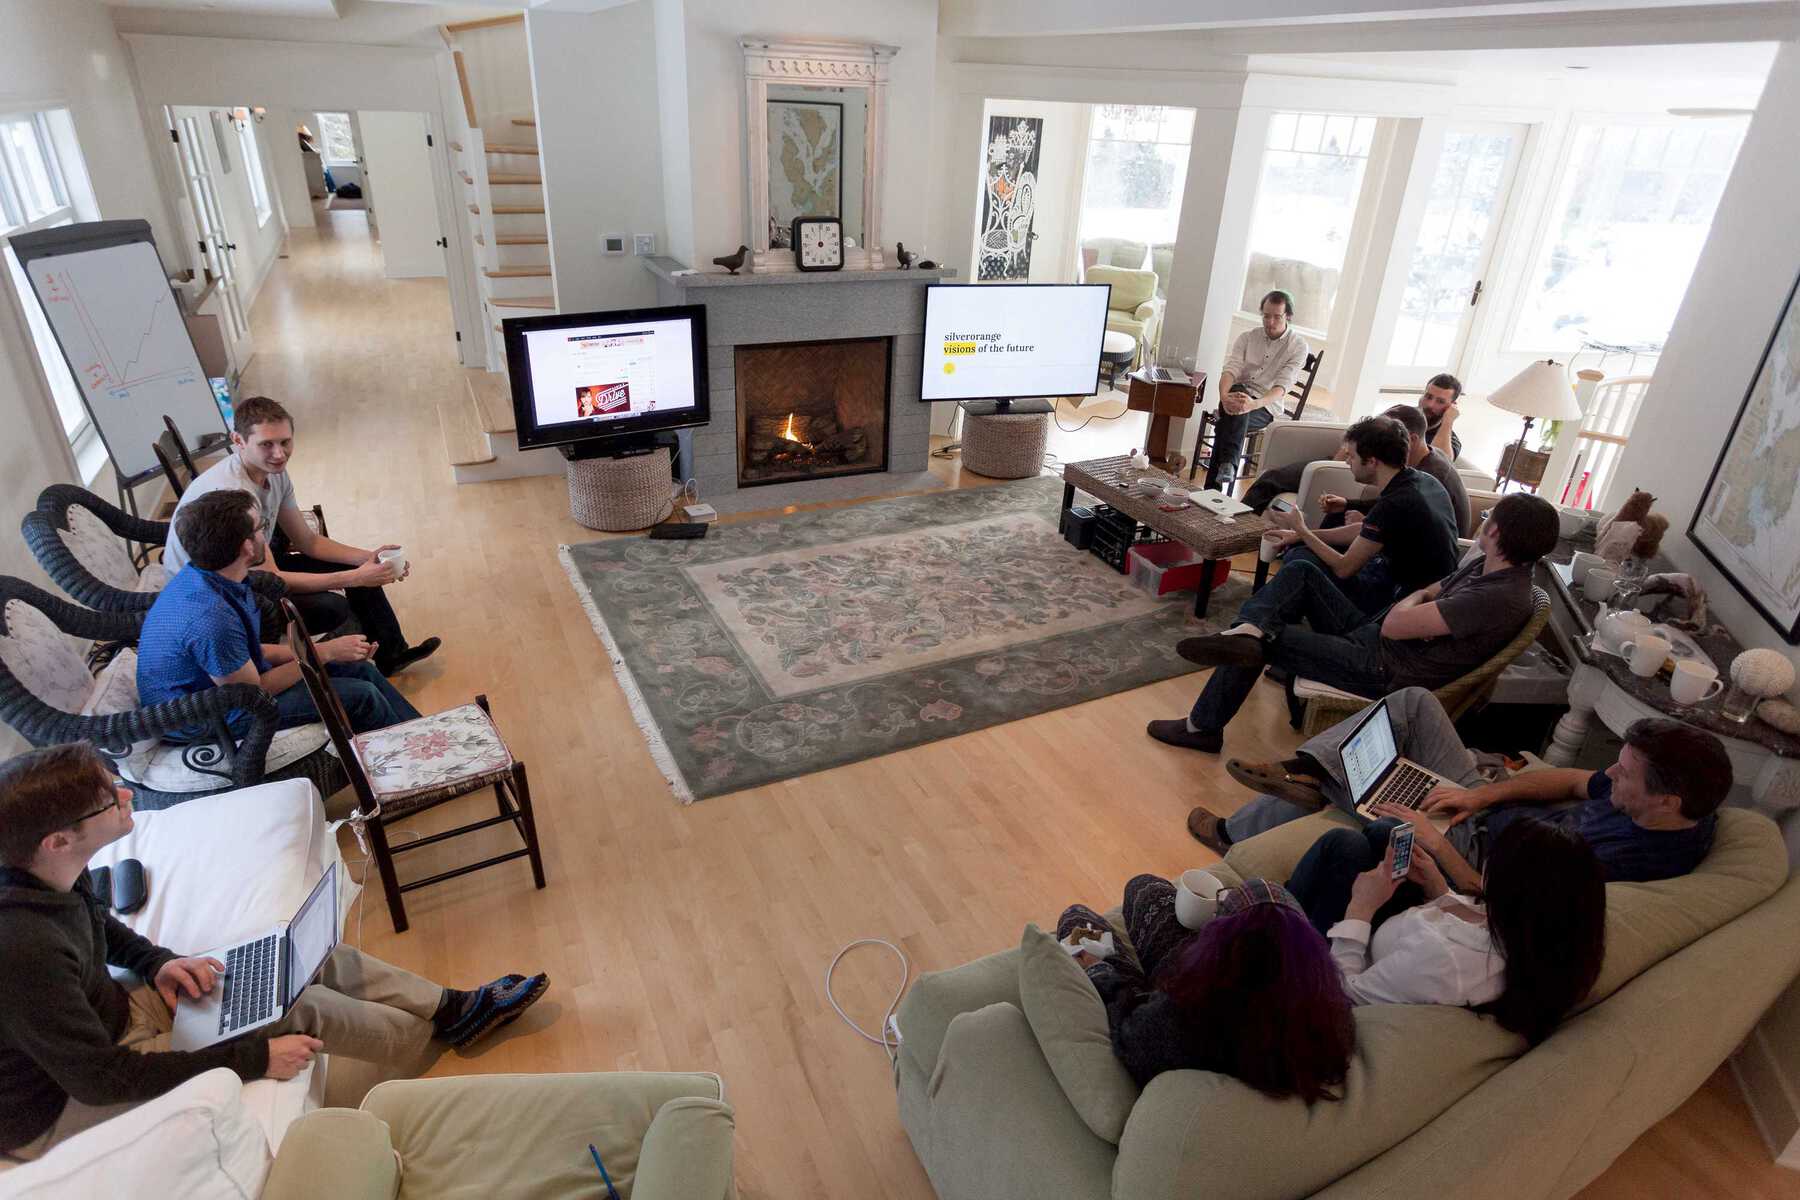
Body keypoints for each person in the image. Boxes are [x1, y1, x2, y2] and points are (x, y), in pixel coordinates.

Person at [0, 744, 551, 1160]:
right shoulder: (24, 951)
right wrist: (256, 1058)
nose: (126, 793)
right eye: (108, 796)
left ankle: (454, 1009)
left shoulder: (47, 873)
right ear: (58, 840)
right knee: (295, 1008)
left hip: (105, 1021)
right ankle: (431, 1044)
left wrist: (159, 961)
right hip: (57, 1103)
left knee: (290, 957)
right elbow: (99, 1079)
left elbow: (103, 927)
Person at [1147, 492, 1559, 757]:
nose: (1483, 521)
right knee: (1302, 571)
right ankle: (1248, 631)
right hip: (1377, 640)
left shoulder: (1497, 596)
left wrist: (1412, 604)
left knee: (1269, 640)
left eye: (1488, 517)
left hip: (1384, 669)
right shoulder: (1492, 570)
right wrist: (1416, 605)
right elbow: (1428, 595)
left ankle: (1204, 723)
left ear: (1497, 531)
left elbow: (1402, 620)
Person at [1189, 688, 1730, 883]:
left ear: (1667, 800)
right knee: (1415, 701)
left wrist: (1431, 834)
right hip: (1483, 815)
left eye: (1625, 773)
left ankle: (1279, 808)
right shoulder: (1646, 799)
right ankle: (1309, 768)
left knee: (1374, 800)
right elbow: (1568, 778)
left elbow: (1486, 893)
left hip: (1469, 854)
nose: (1610, 773)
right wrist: (1477, 794)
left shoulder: (1625, 860)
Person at [163, 396, 439, 677]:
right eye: (266, 444)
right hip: (222, 591)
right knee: (332, 607)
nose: (279, 454)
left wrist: (369, 558)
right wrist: (356, 577)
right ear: (239, 440)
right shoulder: (237, 494)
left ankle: (390, 654)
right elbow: (271, 579)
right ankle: (335, 666)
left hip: (252, 571)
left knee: (358, 569)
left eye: (285, 442)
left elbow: (308, 541)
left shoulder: (274, 473)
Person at [1284, 815, 1606, 1044]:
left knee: (1342, 845)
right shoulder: (1546, 939)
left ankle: (1284, 913)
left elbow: (1343, 995)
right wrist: (1439, 891)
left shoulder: (1442, 960)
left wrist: (1361, 908)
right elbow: (1481, 924)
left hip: (1348, 965)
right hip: (1408, 937)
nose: (1484, 868)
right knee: (1389, 832)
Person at [139, 490, 422, 738]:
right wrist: (324, 653)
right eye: (260, 527)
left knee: (359, 669)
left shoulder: (213, 576)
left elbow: (247, 654)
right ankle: (409, 776)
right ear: (247, 547)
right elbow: (254, 692)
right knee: (361, 697)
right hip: (211, 718)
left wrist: (325, 650)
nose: (266, 534)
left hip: (229, 685)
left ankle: (423, 737)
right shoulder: (211, 619)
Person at [1057, 877, 1353, 1097]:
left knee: (1076, 918)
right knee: (1143, 887)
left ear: (1221, 961)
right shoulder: (1331, 1019)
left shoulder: (1181, 1023)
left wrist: (1098, 971)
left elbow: (1130, 1030)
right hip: (1204, 1005)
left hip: (1148, 1008)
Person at [1263, 416, 1459, 615]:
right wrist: (1299, 535)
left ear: (1372, 462)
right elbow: (1365, 531)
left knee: (1300, 562)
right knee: (1304, 551)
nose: (1348, 462)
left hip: (1393, 605)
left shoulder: (1395, 504)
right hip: (1409, 587)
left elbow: (1344, 568)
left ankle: (1254, 626)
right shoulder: (1423, 481)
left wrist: (1302, 530)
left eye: (1352, 457)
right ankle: (1264, 621)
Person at [1203, 291, 1311, 493]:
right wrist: (1224, 397)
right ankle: (1228, 466)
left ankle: (1212, 488)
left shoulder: (1298, 346)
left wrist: (1252, 403)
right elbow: (1230, 370)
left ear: (1288, 316)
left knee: (1228, 420)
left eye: (1277, 316)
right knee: (1236, 397)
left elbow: (1282, 387)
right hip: (1235, 397)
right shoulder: (1247, 338)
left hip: (1264, 406)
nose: (1270, 322)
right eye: (1266, 316)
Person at [1324, 405, 1471, 538]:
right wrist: (1348, 504)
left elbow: (1405, 522)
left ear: (1411, 439)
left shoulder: (1430, 475)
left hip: (1417, 545)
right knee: (1338, 514)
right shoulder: (1425, 457)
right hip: (1402, 526)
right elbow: (1391, 501)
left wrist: (1365, 523)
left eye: (1385, 436)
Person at [1419, 374, 1463, 462]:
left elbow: (1438, 463)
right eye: (1428, 396)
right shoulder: (1400, 413)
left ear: (1452, 406)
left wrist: (1448, 422)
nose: (1430, 405)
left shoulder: (1451, 441)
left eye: (1440, 401)